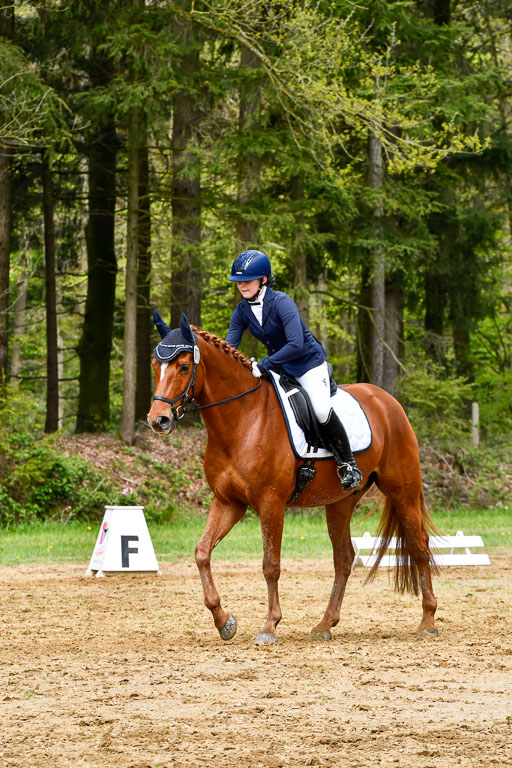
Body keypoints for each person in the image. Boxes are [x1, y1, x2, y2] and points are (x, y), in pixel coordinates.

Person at [226, 249, 363, 491]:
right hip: (281, 369)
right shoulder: (242, 311)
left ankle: (348, 464)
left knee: (320, 410)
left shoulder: (282, 302)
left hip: (308, 364)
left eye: (247, 280)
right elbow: (229, 348)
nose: (242, 286)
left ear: (263, 280)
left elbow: (295, 344)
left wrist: (263, 365)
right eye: (238, 282)